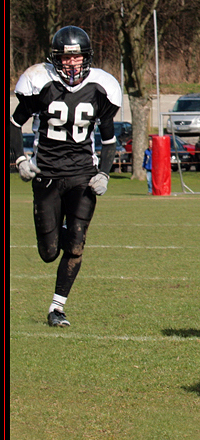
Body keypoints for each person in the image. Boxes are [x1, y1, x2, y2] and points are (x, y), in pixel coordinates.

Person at [8, 26, 122, 327]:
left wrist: (104, 174)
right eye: (66, 58)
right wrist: (20, 158)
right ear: (55, 59)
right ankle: (56, 224)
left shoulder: (100, 88)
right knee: (48, 252)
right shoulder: (40, 83)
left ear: (87, 58)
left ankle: (57, 308)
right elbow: (13, 123)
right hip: (46, 174)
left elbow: (109, 142)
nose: (72, 63)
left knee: (75, 244)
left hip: (82, 174)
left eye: (78, 57)